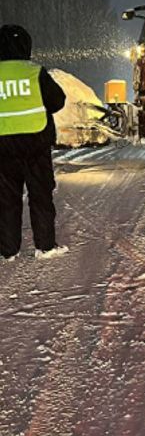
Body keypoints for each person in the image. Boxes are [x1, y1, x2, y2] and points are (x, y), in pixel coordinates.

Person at [0, 25, 67, 262]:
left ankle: (8, 251)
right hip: (35, 145)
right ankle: (45, 247)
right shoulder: (35, 72)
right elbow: (58, 101)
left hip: (3, 148)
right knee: (40, 196)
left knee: (6, 200)